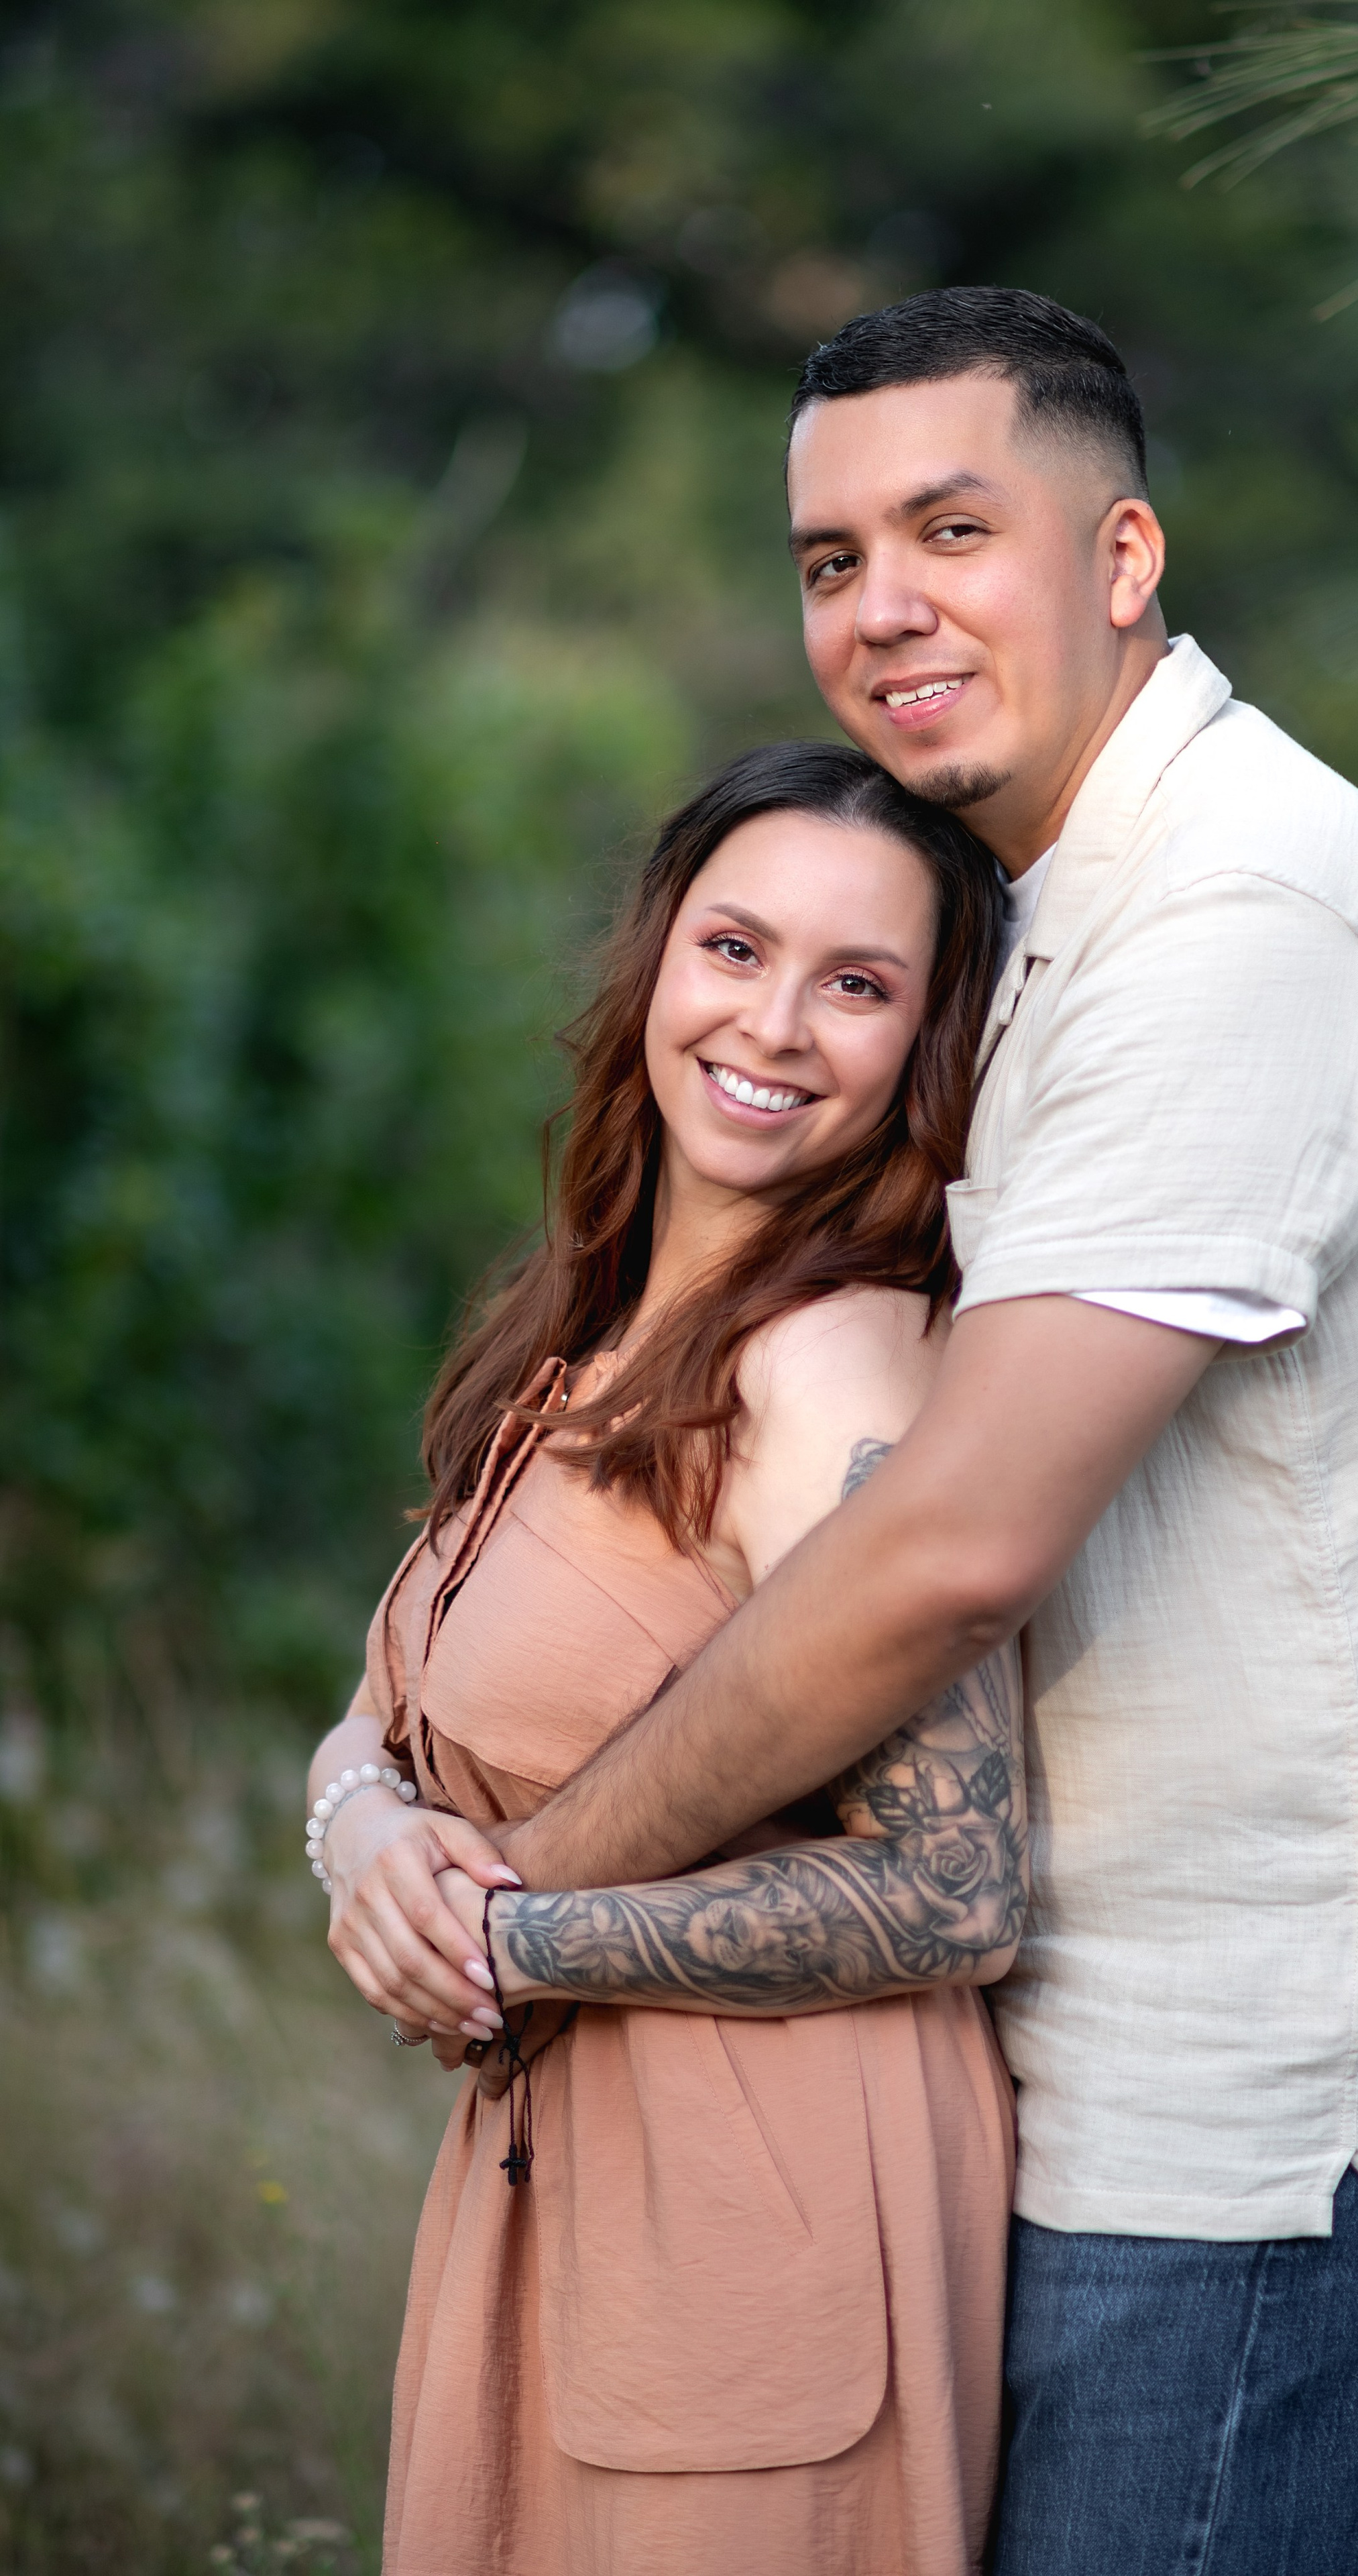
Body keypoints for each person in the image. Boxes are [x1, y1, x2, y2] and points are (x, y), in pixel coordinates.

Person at [336, 288, 1358, 2575]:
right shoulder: (1057, 910)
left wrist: (522, 1910)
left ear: (1122, 559)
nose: (881, 607)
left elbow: (945, 1551)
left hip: (1239, 2118)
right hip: (1063, 2075)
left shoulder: (1231, 928)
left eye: (950, 528)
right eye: (829, 558)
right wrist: (369, 1818)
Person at [309, 741, 1023, 2576]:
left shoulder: (837, 1371)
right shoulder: (588, 1328)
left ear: (925, 1046)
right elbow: (393, 1714)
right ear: (657, 962)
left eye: (858, 986)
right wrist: (357, 1834)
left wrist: (509, 1938)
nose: (775, 1025)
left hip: (760, 2207)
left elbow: (957, 1886)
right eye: (737, 948)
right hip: (569, 2166)